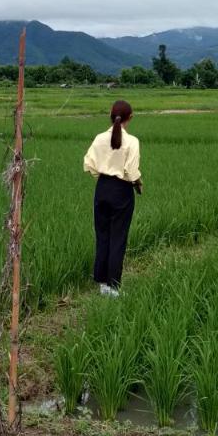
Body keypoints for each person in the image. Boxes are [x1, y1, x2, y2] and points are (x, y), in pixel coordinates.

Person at [83, 99, 142, 296]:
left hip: (102, 188)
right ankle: (114, 287)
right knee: (118, 237)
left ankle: (102, 285)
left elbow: (88, 163)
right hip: (122, 191)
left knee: (103, 235)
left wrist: (102, 178)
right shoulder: (132, 141)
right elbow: (131, 171)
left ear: (110, 115)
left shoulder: (99, 138)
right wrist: (138, 182)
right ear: (130, 117)